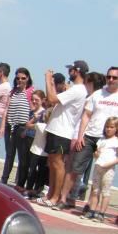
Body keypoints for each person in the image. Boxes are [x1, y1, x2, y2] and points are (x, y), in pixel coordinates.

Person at [37, 60, 89, 207]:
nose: (69, 72)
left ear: (77, 71)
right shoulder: (74, 89)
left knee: (58, 164)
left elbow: (52, 99)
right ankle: (50, 194)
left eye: (71, 69)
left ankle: (55, 197)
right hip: (56, 129)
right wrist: (51, 84)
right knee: (52, 163)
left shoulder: (78, 89)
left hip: (62, 131)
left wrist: (48, 80)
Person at [66, 71, 115, 206]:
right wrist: (80, 135)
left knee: (99, 172)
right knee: (76, 168)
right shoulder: (97, 95)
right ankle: (67, 198)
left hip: (106, 139)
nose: (111, 79)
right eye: (109, 77)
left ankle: (91, 205)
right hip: (88, 135)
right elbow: (86, 115)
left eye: (114, 77)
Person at [80, 117, 118, 223]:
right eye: (107, 127)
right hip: (98, 167)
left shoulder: (117, 141)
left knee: (105, 191)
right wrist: (96, 153)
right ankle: (92, 211)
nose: (108, 129)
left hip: (108, 169)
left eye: (111, 127)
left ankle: (101, 213)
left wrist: (109, 164)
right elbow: (96, 153)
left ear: (117, 128)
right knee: (95, 190)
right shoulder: (101, 140)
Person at [0, 67, 35, 187]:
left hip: (22, 128)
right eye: (18, 78)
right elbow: (6, 109)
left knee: (22, 157)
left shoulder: (30, 92)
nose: (20, 80)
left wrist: (29, 127)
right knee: (9, 154)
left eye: (23, 78)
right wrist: (2, 125)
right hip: (10, 126)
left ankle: (19, 182)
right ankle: (4, 179)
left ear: (27, 78)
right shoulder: (13, 92)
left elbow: (34, 111)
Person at [24, 91, 49, 198]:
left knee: (33, 171)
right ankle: (35, 190)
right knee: (38, 172)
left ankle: (30, 189)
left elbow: (28, 125)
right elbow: (28, 126)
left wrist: (34, 119)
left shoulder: (40, 125)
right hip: (42, 152)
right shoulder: (43, 126)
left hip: (37, 151)